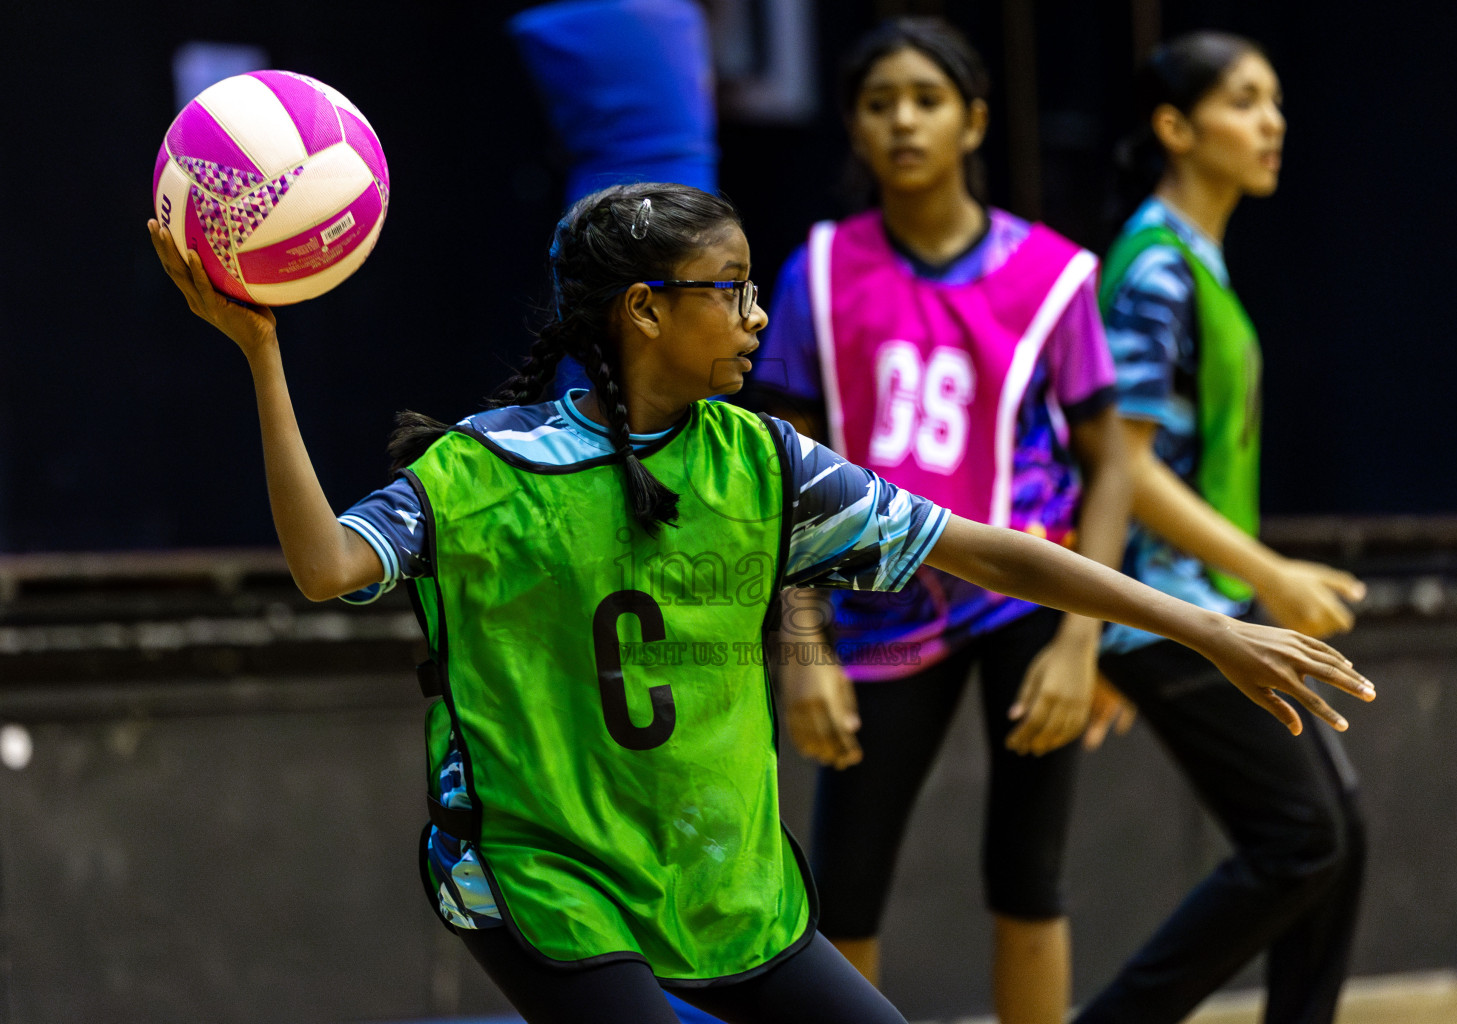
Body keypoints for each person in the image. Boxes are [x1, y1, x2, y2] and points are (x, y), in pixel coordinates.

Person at [145, 181, 1372, 1024]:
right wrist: (264, 357)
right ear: (645, 312)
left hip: (721, 881)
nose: (756, 314)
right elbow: (324, 566)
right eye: (727, 289)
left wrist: (1201, 623)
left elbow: (988, 550)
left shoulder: (761, 462)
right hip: (539, 876)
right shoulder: (486, 468)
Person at [745, 18, 1126, 1022]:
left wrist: (1082, 641)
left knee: (1028, 876)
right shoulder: (816, 274)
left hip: (1024, 598)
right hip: (874, 609)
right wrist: (800, 646)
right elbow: (775, 474)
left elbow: (1110, 464)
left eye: (927, 99)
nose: (903, 121)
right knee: (842, 887)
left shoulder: (1054, 276)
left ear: (974, 122)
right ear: (854, 129)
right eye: (879, 104)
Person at [1075, 32, 1369, 1024]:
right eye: (1244, 101)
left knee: (1334, 839)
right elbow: (1126, 468)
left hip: (1207, 601)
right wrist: (1270, 576)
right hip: (1166, 610)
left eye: (1275, 101)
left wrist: (1262, 577)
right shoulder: (1154, 269)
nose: (1271, 122)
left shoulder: (1193, 261)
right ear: (1173, 127)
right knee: (1302, 840)